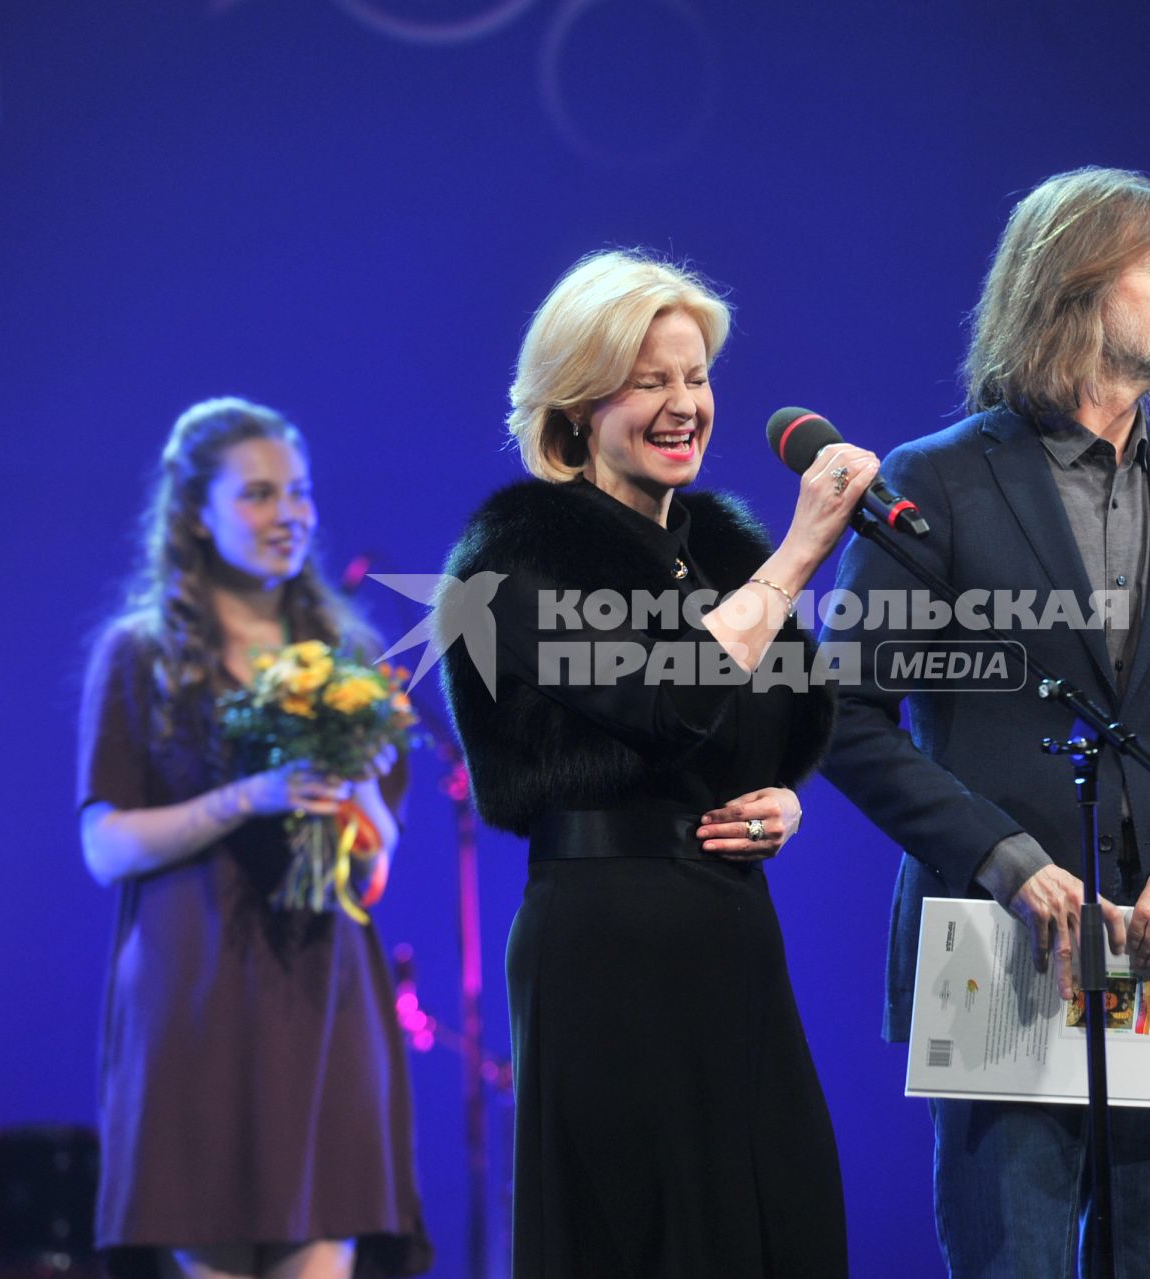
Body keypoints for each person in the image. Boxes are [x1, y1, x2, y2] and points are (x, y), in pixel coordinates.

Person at [821, 168, 1150, 1276]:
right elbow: (844, 713)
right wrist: (1002, 856)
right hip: (1004, 953)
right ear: (1082, 282)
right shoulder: (934, 482)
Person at [436, 249, 878, 1277]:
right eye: (650, 382)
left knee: (780, 1221)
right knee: (644, 1236)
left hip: (729, 928)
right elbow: (664, 700)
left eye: (696, 377)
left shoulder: (716, 545)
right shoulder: (515, 556)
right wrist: (798, 556)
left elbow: (790, 712)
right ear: (579, 405)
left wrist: (784, 803)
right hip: (607, 940)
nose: (684, 405)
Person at [77, 397, 433, 1279]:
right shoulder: (141, 656)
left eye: (301, 493)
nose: (291, 515)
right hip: (195, 992)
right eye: (260, 494)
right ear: (197, 511)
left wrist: (356, 802)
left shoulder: (350, 657)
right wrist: (247, 798)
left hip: (324, 985)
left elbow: (380, 851)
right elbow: (105, 846)